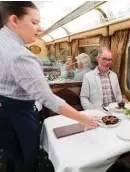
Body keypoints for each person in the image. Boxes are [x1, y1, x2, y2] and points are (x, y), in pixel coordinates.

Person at [0, 2, 97, 172]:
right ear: (14, 20)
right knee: (27, 161)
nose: (40, 29)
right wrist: (85, 119)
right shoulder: (20, 56)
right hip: (19, 116)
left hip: (6, 113)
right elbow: (49, 99)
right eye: (34, 22)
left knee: (13, 156)